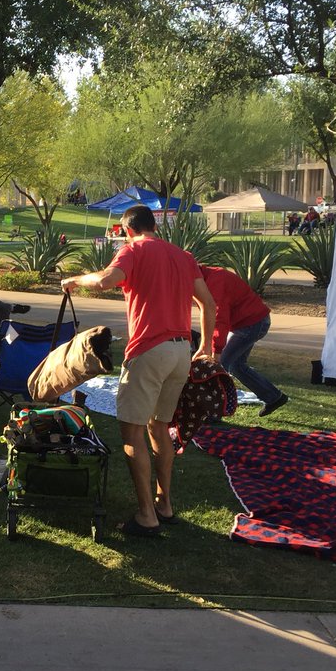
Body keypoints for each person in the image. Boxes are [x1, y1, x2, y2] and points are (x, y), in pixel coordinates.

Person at [61, 205, 216, 536]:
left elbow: (105, 281)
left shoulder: (133, 250)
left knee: (132, 433)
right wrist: (206, 346)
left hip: (149, 351)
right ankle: (164, 504)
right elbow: (208, 302)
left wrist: (75, 280)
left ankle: (147, 516)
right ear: (153, 226)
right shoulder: (183, 256)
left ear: (128, 230)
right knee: (159, 427)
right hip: (181, 351)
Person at [200, 265, 289, 417]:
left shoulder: (215, 282)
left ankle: (215, 411)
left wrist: (216, 350)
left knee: (221, 365)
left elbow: (219, 319)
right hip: (249, 322)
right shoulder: (205, 278)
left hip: (252, 323)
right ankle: (274, 397)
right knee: (236, 365)